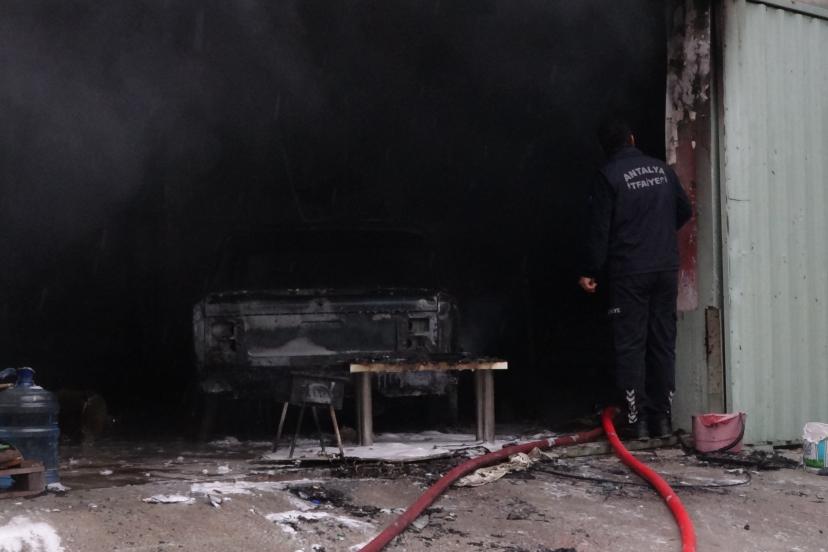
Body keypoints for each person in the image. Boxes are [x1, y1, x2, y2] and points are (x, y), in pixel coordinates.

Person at [580, 119, 692, 439]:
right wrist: (658, 232)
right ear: (632, 138)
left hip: (630, 272)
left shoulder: (608, 176)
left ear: (605, 148)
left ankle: (637, 421)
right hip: (665, 268)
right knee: (662, 343)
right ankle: (663, 420)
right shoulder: (662, 170)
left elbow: (599, 229)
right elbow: (684, 210)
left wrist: (591, 270)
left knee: (631, 345)